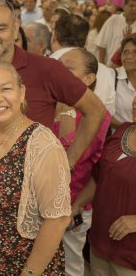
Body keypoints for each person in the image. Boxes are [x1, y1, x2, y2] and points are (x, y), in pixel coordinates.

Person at [0, 0, 106, 170]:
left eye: (0, 28)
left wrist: (68, 162)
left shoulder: (47, 69)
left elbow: (95, 110)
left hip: (37, 187)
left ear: (15, 28)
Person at [0, 62, 71, 274]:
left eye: (6, 89)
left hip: (26, 267)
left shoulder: (42, 144)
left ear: (21, 92)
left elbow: (57, 219)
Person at [55, 48, 112, 276]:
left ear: (89, 79)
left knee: (69, 267)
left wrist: (67, 111)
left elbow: (70, 157)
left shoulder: (97, 113)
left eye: (68, 68)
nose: (59, 71)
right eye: (57, 65)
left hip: (73, 204)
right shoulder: (47, 102)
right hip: (40, 201)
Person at [71, 109, 136, 273]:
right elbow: (100, 176)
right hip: (99, 243)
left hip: (130, 256)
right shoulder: (122, 130)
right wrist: (78, 203)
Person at [50, 14, 116, 115]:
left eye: (69, 68)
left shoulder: (44, 66)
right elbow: (108, 114)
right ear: (86, 40)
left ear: (55, 35)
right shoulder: (107, 73)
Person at [95, 0, 136, 65]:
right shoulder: (113, 20)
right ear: (124, 7)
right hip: (110, 67)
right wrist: (102, 66)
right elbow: (102, 45)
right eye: (131, 6)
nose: (134, 9)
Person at [113, 36, 136, 127]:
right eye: (125, 52)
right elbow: (102, 112)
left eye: (135, 52)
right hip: (120, 138)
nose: (129, 56)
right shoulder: (112, 77)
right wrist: (127, 129)